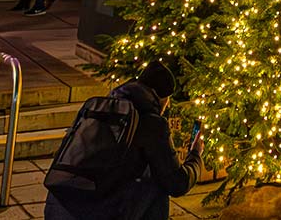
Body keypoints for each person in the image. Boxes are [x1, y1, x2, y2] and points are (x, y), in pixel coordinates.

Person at [44, 60, 199, 220]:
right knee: (157, 185)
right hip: (96, 212)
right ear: (160, 97)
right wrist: (195, 155)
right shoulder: (151, 122)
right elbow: (176, 183)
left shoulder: (99, 108)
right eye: (168, 100)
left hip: (59, 205)